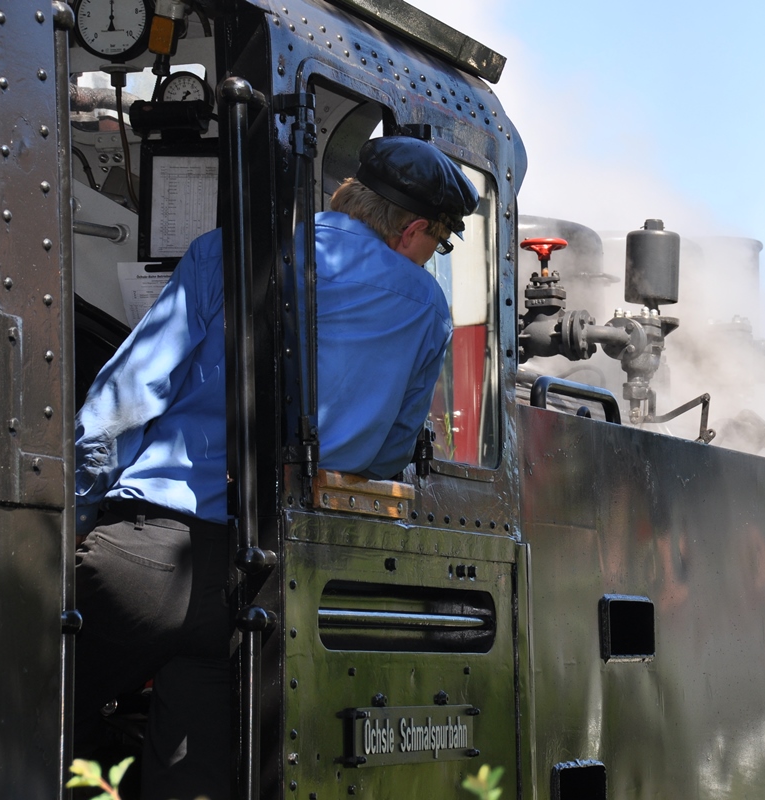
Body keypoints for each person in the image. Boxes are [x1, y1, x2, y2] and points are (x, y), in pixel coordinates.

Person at [72, 136, 478, 800]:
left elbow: (125, 400)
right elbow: (385, 456)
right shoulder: (428, 310)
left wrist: (73, 517)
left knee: (37, 715)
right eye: (437, 244)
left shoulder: (227, 250)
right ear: (412, 230)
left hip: (147, 555)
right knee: (191, 778)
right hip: (255, 587)